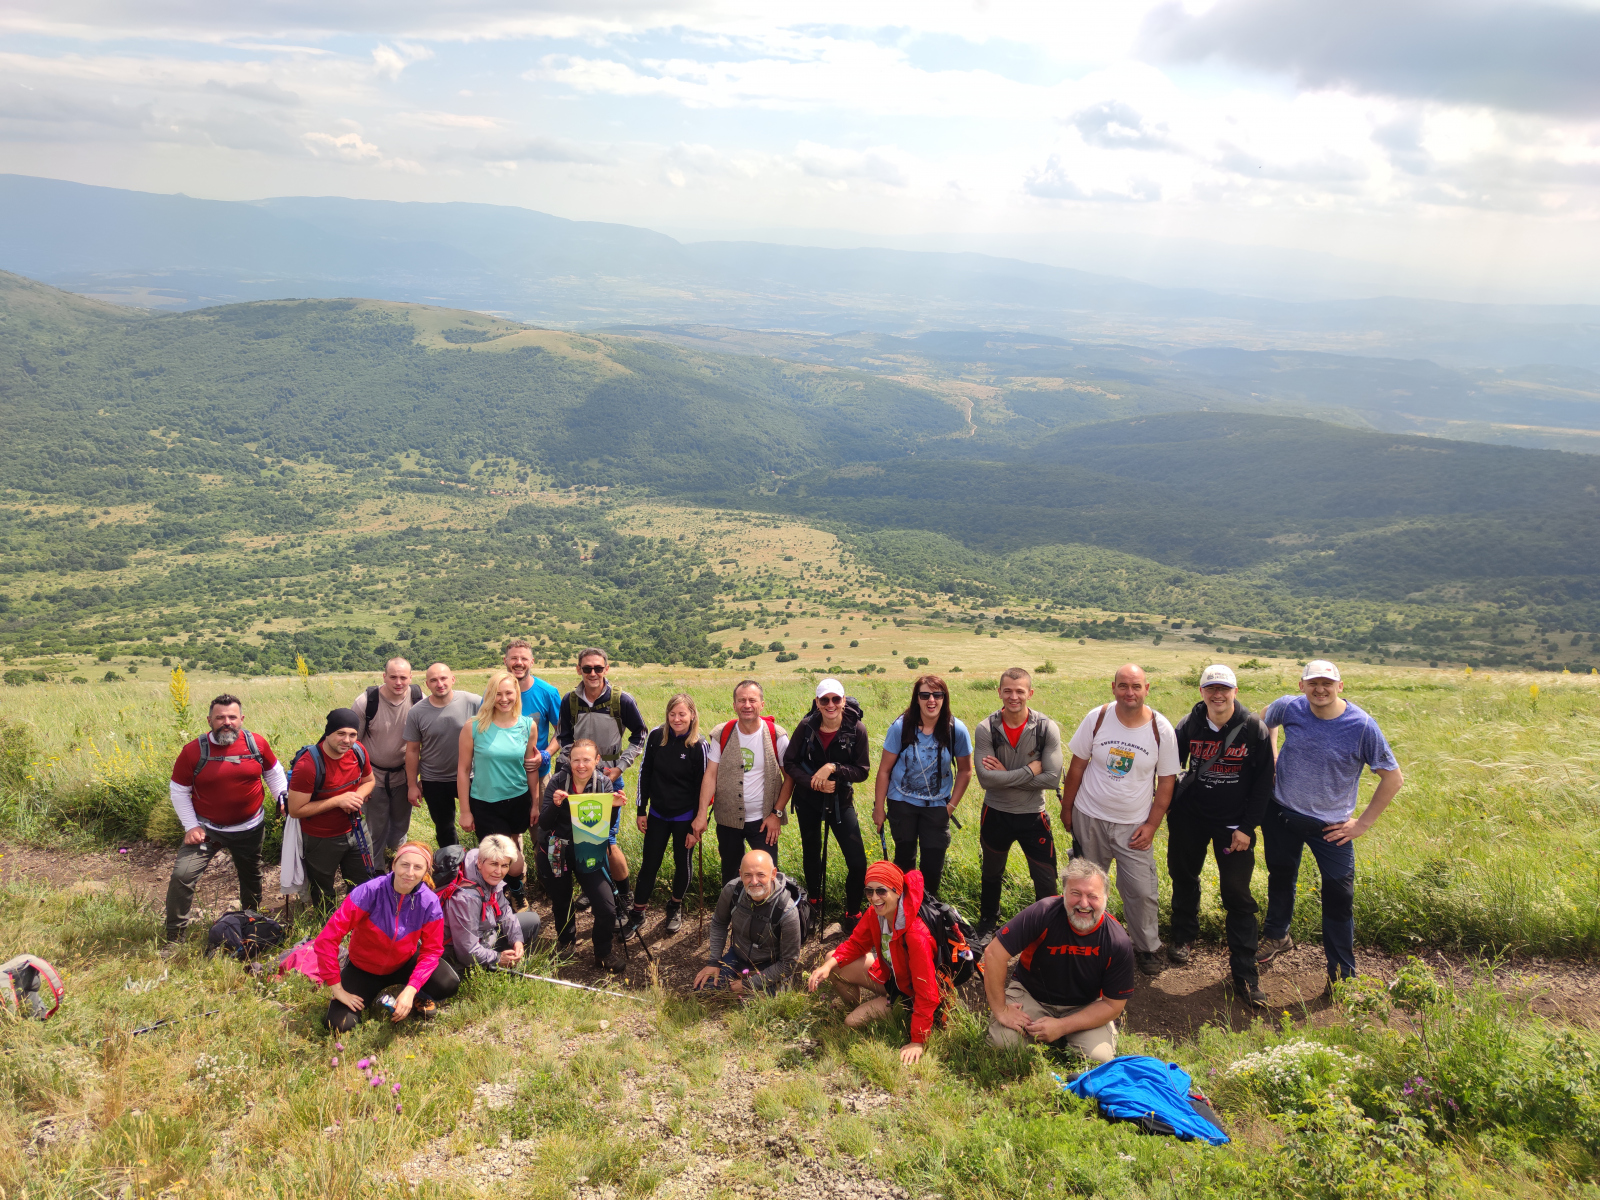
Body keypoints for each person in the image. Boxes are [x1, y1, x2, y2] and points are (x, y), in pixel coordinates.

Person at [1258, 661, 1403, 986]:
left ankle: (1342, 976)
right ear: (1302, 686)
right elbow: (1263, 719)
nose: (1319, 689)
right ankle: (1277, 935)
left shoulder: (1362, 726)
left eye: (1327, 683)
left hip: (1332, 828)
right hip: (1281, 813)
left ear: (1340, 686)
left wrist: (1361, 825)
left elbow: (1393, 778)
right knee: (1280, 876)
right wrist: (1272, 755)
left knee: (1339, 898)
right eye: (1313, 683)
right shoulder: (1289, 706)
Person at [1061, 663, 1180, 976]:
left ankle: (1146, 947)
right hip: (1089, 817)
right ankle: (1085, 940)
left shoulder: (1161, 729)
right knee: (1086, 887)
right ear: (1113, 688)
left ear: (1146, 689)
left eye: (1136, 686)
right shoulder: (1097, 718)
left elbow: (1167, 782)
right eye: (1123, 686)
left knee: (1141, 890)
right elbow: (1077, 766)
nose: (1130, 692)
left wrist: (1152, 825)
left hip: (1134, 825)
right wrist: (1067, 808)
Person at [1169, 664, 1275, 1006]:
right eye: (1211, 688)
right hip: (1190, 818)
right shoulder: (1188, 724)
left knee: (1237, 893)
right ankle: (1183, 936)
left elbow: (1264, 783)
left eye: (1224, 689)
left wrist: (1247, 828)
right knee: (1183, 875)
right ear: (1201, 692)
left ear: (1235, 691)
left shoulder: (1253, 728)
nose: (1218, 695)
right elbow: (1169, 769)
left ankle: (1244, 972)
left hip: (1234, 826)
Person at [983, 858, 1135, 1063]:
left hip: (1085, 1005)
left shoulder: (1117, 941)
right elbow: (994, 954)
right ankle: (1051, 1034)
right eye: (1076, 893)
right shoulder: (1042, 913)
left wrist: (1062, 1026)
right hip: (1032, 996)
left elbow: (1112, 1005)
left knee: (1097, 1059)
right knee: (1004, 1045)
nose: (1084, 904)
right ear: (1063, 893)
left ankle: (1064, 1034)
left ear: (1106, 897)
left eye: (1092, 896)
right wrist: (1001, 1010)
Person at [164, 694, 288, 944]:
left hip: (250, 827)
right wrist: (191, 826)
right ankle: (174, 937)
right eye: (220, 717)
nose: (227, 722)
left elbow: (273, 773)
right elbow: (179, 790)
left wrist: (282, 799)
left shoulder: (256, 744)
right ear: (209, 720)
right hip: (207, 829)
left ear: (241, 719)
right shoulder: (193, 751)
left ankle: (250, 925)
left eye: (232, 717)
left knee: (251, 876)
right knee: (182, 876)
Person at [314, 840, 458, 1032]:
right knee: (338, 1025)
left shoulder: (429, 902)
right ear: (394, 864)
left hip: (403, 962)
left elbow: (432, 951)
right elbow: (327, 939)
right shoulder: (369, 891)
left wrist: (412, 988)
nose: (409, 873)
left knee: (448, 983)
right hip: (363, 968)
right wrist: (337, 988)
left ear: (426, 872)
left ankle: (417, 996)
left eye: (417, 867)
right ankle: (373, 993)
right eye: (405, 864)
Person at [806, 862, 940, 1065]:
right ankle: (857, 1006)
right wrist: (827, 966)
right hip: (893, 979)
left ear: (897, 891)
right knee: (833, 960)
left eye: (881, 891)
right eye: (869, 891)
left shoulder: (916, 934)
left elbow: (926, 990)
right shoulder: (875, 913)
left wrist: (917, 1041)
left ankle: (897, 1012)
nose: (874, 898)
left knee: (851, 1022)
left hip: (909, 994)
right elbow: (856, 944)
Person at [972, 668, 1063, 944]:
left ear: (1030, 693)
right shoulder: (986, 728)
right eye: (1008, 691)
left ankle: (1047, 928)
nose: (1014, 697)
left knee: (1045, 878)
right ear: (999, 692)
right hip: (995, 813)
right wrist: (1029, 771)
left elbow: (1052, 778)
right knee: (991, 873)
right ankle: (988, 922)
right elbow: (986, 780)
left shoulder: (1046, 728)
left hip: (1033, 815)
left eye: (1020, 691)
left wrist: (1006, 776)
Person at [556, 648, 646, 915]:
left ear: (606, 669)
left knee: (607, 840)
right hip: (579, 779)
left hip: (609, 778)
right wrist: (576, 767)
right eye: (587, 668)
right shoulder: (570, 700)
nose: (592, 673)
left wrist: (620, 767)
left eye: (598, 668)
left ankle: (624, 895)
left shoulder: (621, 700)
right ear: (578, 670)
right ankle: (594, 888)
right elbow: (564, 736)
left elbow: (640, 734)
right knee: (584, 838)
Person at [874, 674, 973, 900]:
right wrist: (879, 809)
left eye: (937, 695)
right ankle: (903, 909)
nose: (931, 700)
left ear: (945, 698)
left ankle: (927, 910)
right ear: (916, 698)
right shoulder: (900, 727)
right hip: (901, 803)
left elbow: (966, 770)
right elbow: (884, 770)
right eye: (925, 695)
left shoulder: (956, 729)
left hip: (937, 806)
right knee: (904, 861)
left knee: (933, 864)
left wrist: (950, 807)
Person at [784, 677, 870, 930]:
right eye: (825, 700)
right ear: (817, 702)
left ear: (843, 701)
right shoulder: (806, 726)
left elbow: (862, 771)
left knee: (857, 862)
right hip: (808, 800)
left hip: (840, 801)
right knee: (812, 853)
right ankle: (814, 901)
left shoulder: (857, 730)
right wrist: (814, 782)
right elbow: (790, 762)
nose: (830, 704)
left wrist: (833, 768)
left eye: (835, 699)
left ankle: (852, 912)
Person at [691, 679, 793, 885]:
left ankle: (766, 907)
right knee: (731, 875)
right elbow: (711, 774)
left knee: (766, 877)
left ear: (762, 705)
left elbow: (790, 777)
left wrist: (777, 814)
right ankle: (733, 907)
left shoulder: (777, 735)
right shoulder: (722, 733)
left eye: (752, 700)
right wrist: (701, 815)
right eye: (741, 700)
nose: (747, 705)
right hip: (728, 820)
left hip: (764, 821)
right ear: (734, 705)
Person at [537, 738, 627, 970]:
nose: (580, 765)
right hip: (557, 848)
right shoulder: (558, 781)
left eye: (586, 760)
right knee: (561, 901)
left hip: (589, 849)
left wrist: (614, 808)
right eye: (576, 760)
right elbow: (544, 823)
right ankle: (566, 942)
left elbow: (606, 827)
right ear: (569, 760)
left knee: (607, 907)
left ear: (597, 760)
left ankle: (603, 952)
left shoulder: (603, 783)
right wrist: (555, 805)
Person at [623, 694, 707, 937]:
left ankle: (674, 905)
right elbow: (645, 772)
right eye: (672, 714)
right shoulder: (656, 736)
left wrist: (696, 826)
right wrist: (641, 810)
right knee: (649, 864)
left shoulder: (699, 745)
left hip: (685, 817)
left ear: (692, 715)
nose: (677, 719)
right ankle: (638, 911)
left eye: (682, 714)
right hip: (657, 814)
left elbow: (703, 787)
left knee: (683, 863)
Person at [456, 670, 541, 910]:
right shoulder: (473, 727)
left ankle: (513, 890)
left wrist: (535, 804)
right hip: (485, 802)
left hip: (517, 799)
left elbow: (530, 768)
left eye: (509, 693)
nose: (504, 699)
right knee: (499, 856)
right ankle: (498, 896)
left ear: (517, 695)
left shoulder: (528, 726)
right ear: (490, 696)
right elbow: (463, 770)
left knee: (510, 851)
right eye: (498, 694)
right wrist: (465, 811)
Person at [287, 708, 376, 914]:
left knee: (363, 882)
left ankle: (359, 919)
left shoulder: (358, 751)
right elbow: (295, 810)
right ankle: (326, 923)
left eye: (352, 734)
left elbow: (369, 781)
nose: (347, 740)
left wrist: (356, 797)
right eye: (340, 733)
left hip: (356, 829)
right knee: (323, 888)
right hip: (321, 838)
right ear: (328, 733)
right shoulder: (308, 765)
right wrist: (338, 801)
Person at [693, 849, 802, 993]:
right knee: (704, 990)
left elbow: (788, 964)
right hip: (738, 956)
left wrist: (749, 984)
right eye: (748, 875)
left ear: (773, 874)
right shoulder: (732, 891)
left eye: (761, 875)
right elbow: (719, 922)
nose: (754, 881)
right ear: (740, 874)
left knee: (754, 1003)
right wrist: (714, 961)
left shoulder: (787, 910)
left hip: (771, 965)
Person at [402, 662, 480, 850]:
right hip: (434, 779)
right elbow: (412, 750)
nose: (440, 684)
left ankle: (485, 863)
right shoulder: (416, 712)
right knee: (444, 829)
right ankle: (451, 862)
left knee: (482, 822)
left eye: (444, 678)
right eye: (434, 680)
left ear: (453, 679)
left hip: (471, 775)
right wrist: (412, 785)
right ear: (427, 684)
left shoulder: (474, 702)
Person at [351, 658, 422, 865]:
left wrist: (418, 781)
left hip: (405, 774)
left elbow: (429, 742)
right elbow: (352, 745)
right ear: (384, 677)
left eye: (403, 677)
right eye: (393, 677)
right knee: (376, 827)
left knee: (400, 826)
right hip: (373, 775)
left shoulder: (419, 701)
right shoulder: (365, 703)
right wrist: (360, 782)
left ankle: (397, 862)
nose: (398, 682)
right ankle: (376, 869)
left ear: (411, 677)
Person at [438, 833, 542, 974]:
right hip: (458, 955)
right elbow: (466, 952)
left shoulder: (486, 872)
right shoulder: (466, 898)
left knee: (532, 920)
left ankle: (516, 967)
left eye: (504, 865)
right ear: (480, 862)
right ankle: (493, 974)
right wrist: (498, 958)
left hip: (484, 936)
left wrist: (517, 940)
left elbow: (504, 911)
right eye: (494, 864)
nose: (499, 871)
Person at [504, 638, 562, 781]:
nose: (519, 663)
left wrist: (545, 755)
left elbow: (562, 730)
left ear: (532, 662)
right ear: (505, 661)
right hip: (503, 774)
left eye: (524, 658)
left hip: (538, 773)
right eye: (514, 658)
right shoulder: (493, 693)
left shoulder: (548, 692)